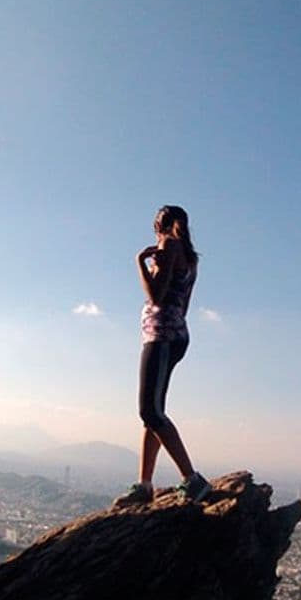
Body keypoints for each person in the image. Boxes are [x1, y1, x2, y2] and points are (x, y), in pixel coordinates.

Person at [114, 205, 211, 505]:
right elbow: (183, 306)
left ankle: (192, 480)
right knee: (153, 414)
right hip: (175, 334)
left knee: (150, 411)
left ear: (160, 225)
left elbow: (155, 295)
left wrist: (140, 263)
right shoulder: (191, 258)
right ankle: (145, 484)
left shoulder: (167, 245)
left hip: (161, 336)